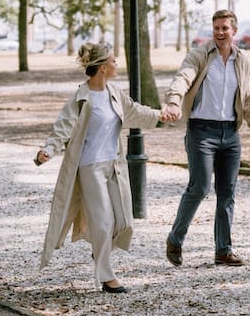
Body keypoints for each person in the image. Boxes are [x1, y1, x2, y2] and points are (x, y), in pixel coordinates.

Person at [35, 42, 174, 293]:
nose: (116, 63)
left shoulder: (114, 92)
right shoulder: (81, 97)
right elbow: (63, 126)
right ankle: (107, 276)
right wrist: (48, 149)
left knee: (124, 221)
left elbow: (133, 112)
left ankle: (100, 251)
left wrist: (158, 115)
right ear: (101, 68)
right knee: (103, 221)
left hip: (115, 165)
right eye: (112, 60)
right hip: (90, 167)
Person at [162, 9, 250, 268]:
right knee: (199, 188)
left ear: (234, 31)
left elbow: (247, 99)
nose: (220, 33)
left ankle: (223, 250)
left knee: (227, 193)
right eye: (216, 28)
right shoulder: (200, 55)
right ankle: (175, 239)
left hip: (231, 134)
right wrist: (174, 101)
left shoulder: (241, 60)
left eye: (225, 28)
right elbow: (183, 78)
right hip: (202, 131)